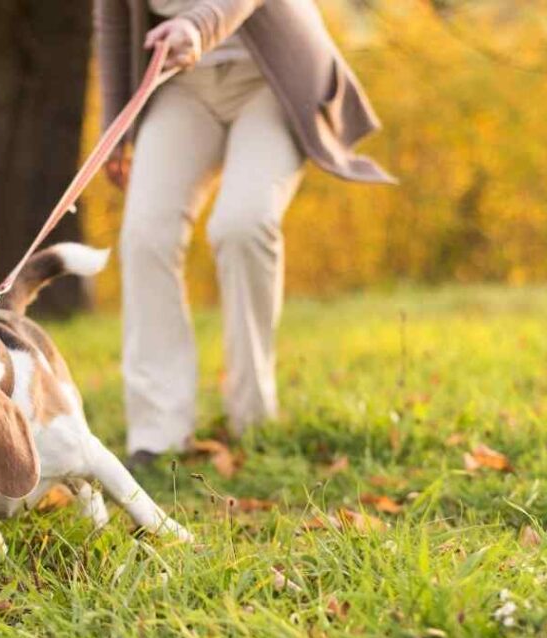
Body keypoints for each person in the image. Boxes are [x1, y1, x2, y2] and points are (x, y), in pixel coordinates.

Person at [95, 0, 395, 469]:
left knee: (242, 224)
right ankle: (158, 435)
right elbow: (113, 19)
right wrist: (117, 122)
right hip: (181, 86)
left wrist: (197, 26)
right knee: (144, 236)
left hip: (271, 78)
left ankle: (252, 417)